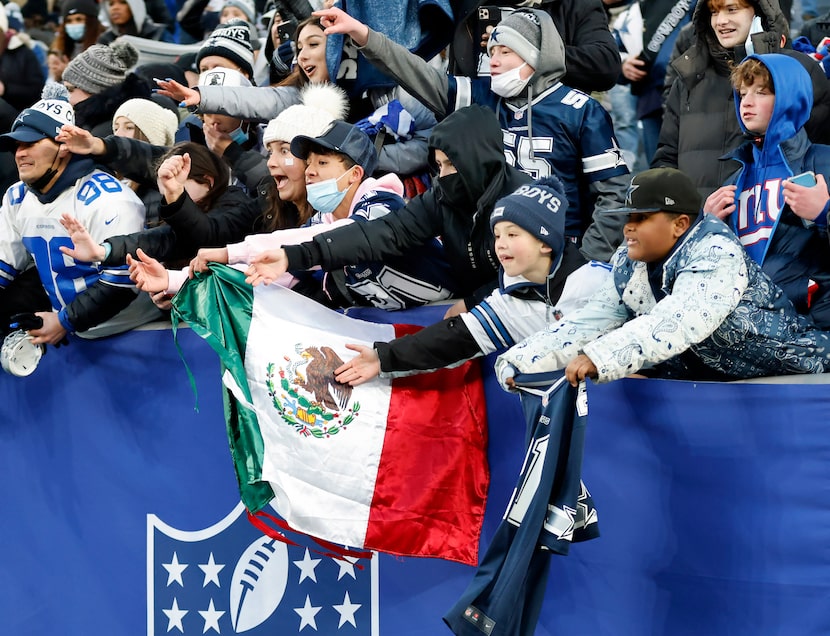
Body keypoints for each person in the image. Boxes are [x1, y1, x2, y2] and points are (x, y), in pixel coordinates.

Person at [315, 6, 630, 263]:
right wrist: (364, 35)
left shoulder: (581, 110)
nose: (492, 61)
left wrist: (587, 261)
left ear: (535, 55)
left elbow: (614, 194)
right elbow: (416, 72)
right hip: (494, 252)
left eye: (505, 52)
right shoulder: (482, 95)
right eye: (491, 51)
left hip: (560, 253)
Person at [494, 168, 830, 389]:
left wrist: (601, 357)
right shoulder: (629, 259)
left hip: (796, 380)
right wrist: (522, 360)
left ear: (680, 225)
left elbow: (676, 321)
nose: (628, 227)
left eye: (641, 218)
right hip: (717, 384)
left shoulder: (716, 251)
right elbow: (588, 321)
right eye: (626, 217)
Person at [244, 105, 531, 315]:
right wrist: (287, 257)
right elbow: (383, 234)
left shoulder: (526, 199)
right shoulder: (440, 198)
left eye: (452, 165)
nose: (443, 176)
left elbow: (537, 272)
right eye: (439, 166)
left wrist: (472, 302)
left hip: (525, 313)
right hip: (465, 314)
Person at [332, 176, 610, 386]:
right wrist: (382, 358)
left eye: (513, 235)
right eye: (497, 235)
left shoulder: (599, 281)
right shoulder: (506, 303)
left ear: (545, 243)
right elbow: (450, 339)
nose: (501, 245)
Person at [0, 85, 159, 343]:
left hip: (134, 332)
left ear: (63, 145)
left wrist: (65, 321)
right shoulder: (17, 196)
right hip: (73, 328)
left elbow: (121, 284)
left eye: (30, 142)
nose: (20, 153)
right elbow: (4, 263)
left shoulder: (110, 200)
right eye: (16, 145)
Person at [652, 0, 830, 201]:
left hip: (775, 225)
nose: (720, 21)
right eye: (713, 12)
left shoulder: (796, 70)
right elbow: (666, 159)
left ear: (759, 11)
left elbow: (818, 155)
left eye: (731, 9)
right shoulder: (689, 80)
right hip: (698, 226)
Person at [702, 54, 830, 329]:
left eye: (761, 92)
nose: (747, 102)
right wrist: (708, 229)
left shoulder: (823, 161)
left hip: (814, 324)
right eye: (742, 93)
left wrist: (823, 213)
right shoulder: (735, 178)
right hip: (750, 326)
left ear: (789, 98)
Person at [446, 0, 621, 94]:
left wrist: (528, 49)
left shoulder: (576, 4)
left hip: (545, 133)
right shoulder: (467, 3)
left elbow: (606, 65)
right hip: (472, 123)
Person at [61, 40, 153, 138]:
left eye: (69, 89)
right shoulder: (87, 121)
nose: (65, 95)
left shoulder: (103, 134)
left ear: (94, 89)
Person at [97, 0, 173, 45]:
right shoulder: (106, 39)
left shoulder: (158, 33)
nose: (115, 8)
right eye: (111, 4)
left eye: (123, 2)